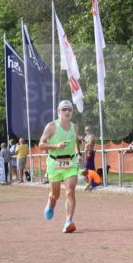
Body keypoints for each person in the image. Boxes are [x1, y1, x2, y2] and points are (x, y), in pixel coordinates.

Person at [38, 100, 80, 233]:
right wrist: (56, 146)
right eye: (64, 109)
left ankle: (68, 221)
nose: (67, 112)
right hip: (54, 163)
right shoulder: (51, 126)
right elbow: (41, 144)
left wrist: (79, 153)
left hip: (70, 163)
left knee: (70, 191)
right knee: (55, 195)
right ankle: (51, 203)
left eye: (69, 109)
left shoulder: (75, 127)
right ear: (58, 112)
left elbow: (75, 141)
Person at [82, 126, 97, 191]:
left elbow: (90, 144)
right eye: (86, 130)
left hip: (90, 152)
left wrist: (85, 143)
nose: (86, 131)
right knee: (86, 168)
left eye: (88, 130)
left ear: (90, 130)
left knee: (89, 168)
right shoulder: (86, 137)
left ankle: (90, 184)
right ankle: (88, 183)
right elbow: (84, 145)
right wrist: (83, 141)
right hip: (86, 152)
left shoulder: (91, 136)